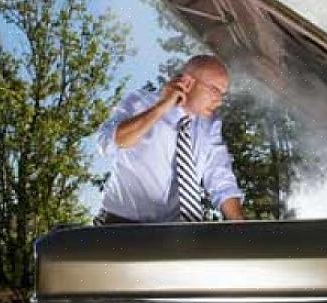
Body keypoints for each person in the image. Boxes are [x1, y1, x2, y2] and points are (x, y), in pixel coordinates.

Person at [94, 54, 244, 225]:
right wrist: (163, 106)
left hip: (173, 233)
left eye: (222, 94)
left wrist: (241, 227)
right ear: (188, 82)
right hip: (119, 227)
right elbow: (108, 143)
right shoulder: (140, 102)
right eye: (214, 90)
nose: (219, 101)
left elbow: (221, 179)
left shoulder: (209, 126)